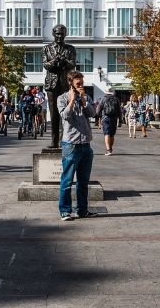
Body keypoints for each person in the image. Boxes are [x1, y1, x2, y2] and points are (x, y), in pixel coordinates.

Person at [57, 71, 97, 221]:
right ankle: (65, 211)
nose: (81, 86)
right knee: (67, 181)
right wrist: (72, 101)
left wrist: (84, 101)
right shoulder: (62, 98)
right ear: (71, 83)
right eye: (78, 83)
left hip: (86, 144)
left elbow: (93, 114)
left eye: (82, 83)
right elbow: (65, 116)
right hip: (71, 144)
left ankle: (82, 210)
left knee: (83, 182)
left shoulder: (86, 98)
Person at [97, 90, 121, 156]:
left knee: (106, 134)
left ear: (106, 92)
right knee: (112, 134)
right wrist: (120, 120)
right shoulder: (116, 99)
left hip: (105, 118)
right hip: (114, 118)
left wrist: (97, 117)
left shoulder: (103, 99)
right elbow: (119, 110)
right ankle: (110, 148)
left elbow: (99, 108)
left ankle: (108, 150)